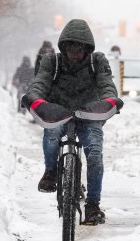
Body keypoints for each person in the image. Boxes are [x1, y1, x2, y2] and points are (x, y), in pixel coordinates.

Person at [23, 19, 118, 225]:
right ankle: (51, 172)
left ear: (87, 49)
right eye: (70, 48)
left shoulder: (97, 61)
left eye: (79, 49)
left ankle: (93, 204)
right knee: (52, 134)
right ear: (63, 47)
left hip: (89, 115)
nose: (74, 53)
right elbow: (40, 82)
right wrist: (35, 99)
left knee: (94, 154)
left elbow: (106, 85)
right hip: (59, 113)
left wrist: (110, 100)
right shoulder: (52, 61)